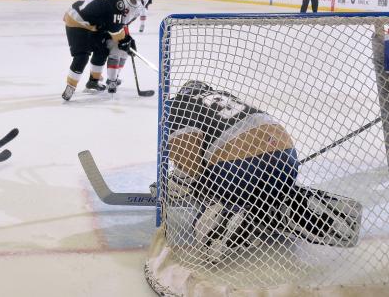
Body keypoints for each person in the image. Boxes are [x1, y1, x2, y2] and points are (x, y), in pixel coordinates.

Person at [153, 81, 362, 263]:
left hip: (238, 169)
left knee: (199, 193)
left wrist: (196, 186)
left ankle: (229, 214)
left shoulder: (175, 105)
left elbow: (185, 151)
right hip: (286, 159)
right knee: (261, 189)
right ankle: (276, 202)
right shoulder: (223, 97)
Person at [62, 0, 135, 101]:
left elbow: (108, 21)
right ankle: (70, 87)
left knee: (101, 49)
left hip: (86, 21)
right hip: (77, 22)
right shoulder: (116, 2)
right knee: (82, 56)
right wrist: (125, 40)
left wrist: (125, 38)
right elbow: (115, 30)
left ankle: (93, 82)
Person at [104, 0, 154, 93]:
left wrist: (128, 37)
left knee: (125, 52)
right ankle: (111, 82)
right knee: (116, 50)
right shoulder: (133, 1)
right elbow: (121, 20)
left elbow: (124, 22)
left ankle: (114, 78)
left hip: (119, 25)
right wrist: (126, 36)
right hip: (110, 25)